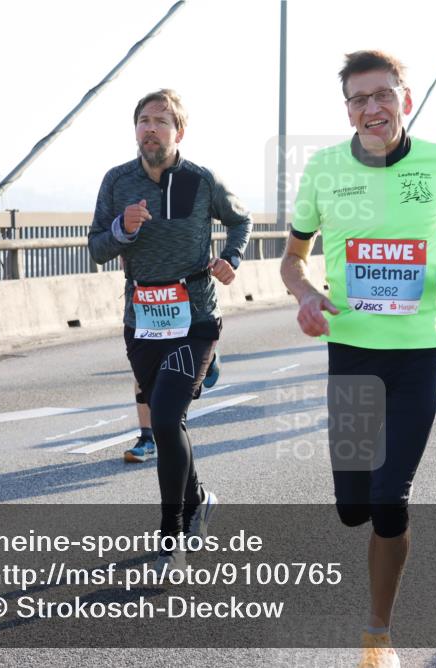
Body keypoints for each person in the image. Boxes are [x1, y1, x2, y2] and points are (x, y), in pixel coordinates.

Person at [280, 50, 436, 668]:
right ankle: (373, 588)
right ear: (347, 108)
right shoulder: (322, 167)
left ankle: (377, 637)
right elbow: (291, 259)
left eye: (382, 95)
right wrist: (306, 293)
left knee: (391, 498)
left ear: (406, 98)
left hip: (417, 353)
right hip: (351, 353)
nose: (372, 109)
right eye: (358, 100)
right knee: (353, 509)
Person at [88, 89, 252, 574]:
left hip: (195, 316)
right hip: (142, 317)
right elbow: (96, 247)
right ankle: (200, 499)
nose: (151, 128)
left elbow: (241, 221)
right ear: (135, 129)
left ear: (179, 131)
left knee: (162, 419)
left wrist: (231, 258)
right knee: (169, 421)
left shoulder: (200, 180)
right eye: (143, 120)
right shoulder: (118, 182)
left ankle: (171, 537)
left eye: (162, 120)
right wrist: (121, 228)